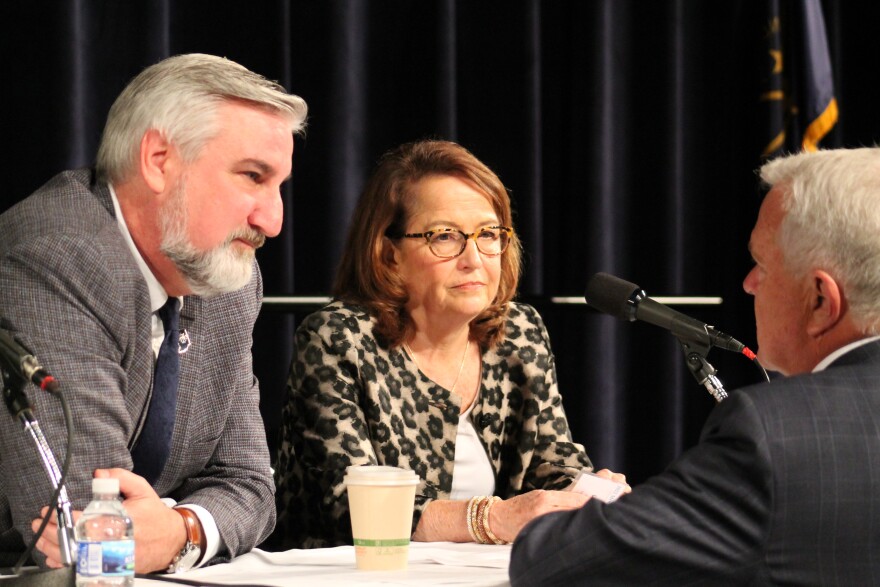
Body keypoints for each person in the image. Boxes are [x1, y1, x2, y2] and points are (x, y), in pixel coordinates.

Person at [509, 147, 880, 584]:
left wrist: (510, 519)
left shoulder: (775, 433)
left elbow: (557, 560)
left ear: (820, 300)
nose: (748, 283)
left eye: (761, 264)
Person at [0, 53, 307, 573]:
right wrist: (173, 528)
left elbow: (253, 488)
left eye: (279, 186)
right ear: (159, 160)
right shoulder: (56, 257)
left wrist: (181, 532)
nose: (272, 220)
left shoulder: (227, 283)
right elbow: (83, 526)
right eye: (253, 176)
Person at [272, 139, 626, 550]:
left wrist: (589, 493)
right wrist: (495, 518)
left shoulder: (519, 332)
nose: (473, 257)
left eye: (488, 234)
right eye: (445, 236)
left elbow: (551, 466)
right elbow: (350, 505)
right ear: (389, 255)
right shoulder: (339, 339)